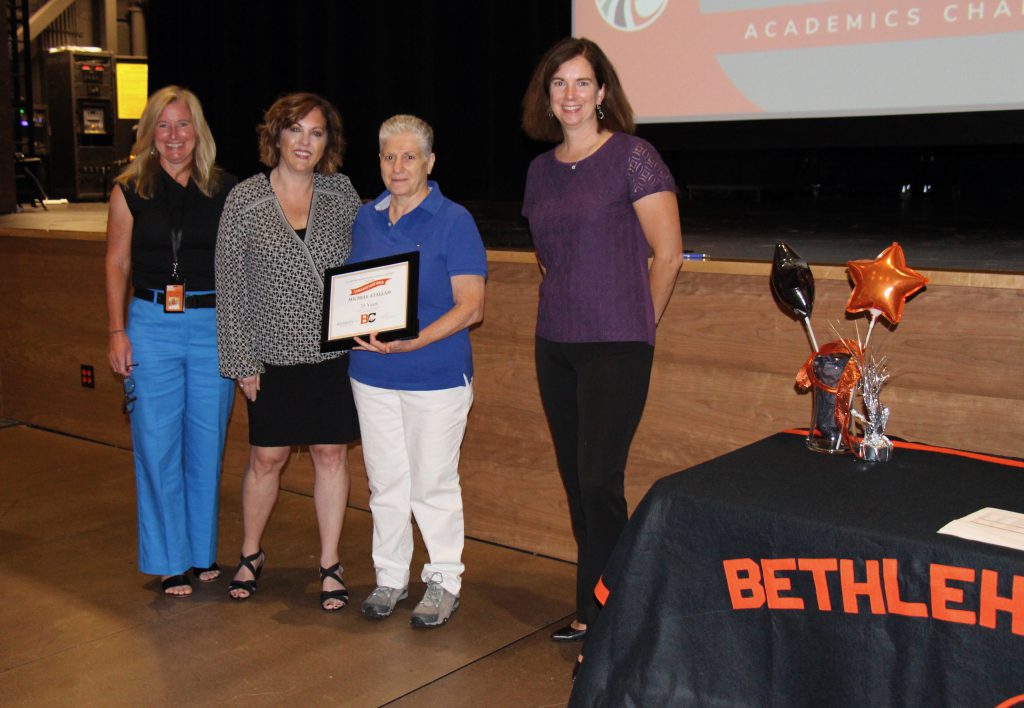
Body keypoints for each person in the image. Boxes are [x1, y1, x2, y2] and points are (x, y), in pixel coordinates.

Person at [520, 37, 684, 675]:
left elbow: (667, 254)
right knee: (576, 486)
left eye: (582, 82)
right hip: (554, 342)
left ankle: (614, 620)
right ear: (547, 95)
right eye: (558, 83)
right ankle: (591, 607)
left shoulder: (633, 158)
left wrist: (640, 325)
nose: (570, 94)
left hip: (618, 342)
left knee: (599, 483)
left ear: (603, 92)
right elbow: (547, 257)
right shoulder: (539, 170)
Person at [215, 93, 361, 611]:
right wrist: (241, 362)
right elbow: (230, 285)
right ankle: (251, 554)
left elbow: (366, 268)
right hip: (270, 356)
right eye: (295, 130)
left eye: (316, 133)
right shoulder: (245, 198)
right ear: (275, 135)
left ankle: (330, 562)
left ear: (328, 143)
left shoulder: (342, 194)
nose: (305, 142)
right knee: (266, 459)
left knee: (329, 454)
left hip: (331, 357)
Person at [348, 114, 487, 629]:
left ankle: (443, 580)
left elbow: (471, 306)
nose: (398, 166)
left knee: (431, 484)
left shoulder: (455, 220)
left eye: (409, 156)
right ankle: (389, 576)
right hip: (371, 376)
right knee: (385, 483)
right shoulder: (365, 218)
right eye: (388, 156)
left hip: (435, 377)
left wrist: (416, 341)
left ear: (430, 162)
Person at [105, 85, 237, 596]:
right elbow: (117, 262)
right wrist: (117, 330)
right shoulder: (128, 188)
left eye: (183, 125)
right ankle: (167, 559)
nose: (174, 136)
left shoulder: (225, 189)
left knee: (207, 444)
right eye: (163, 125)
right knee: (156, 445)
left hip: (211, 326)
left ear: (197, 130)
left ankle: (201, 552)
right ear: (149, 133)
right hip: (151, 324)